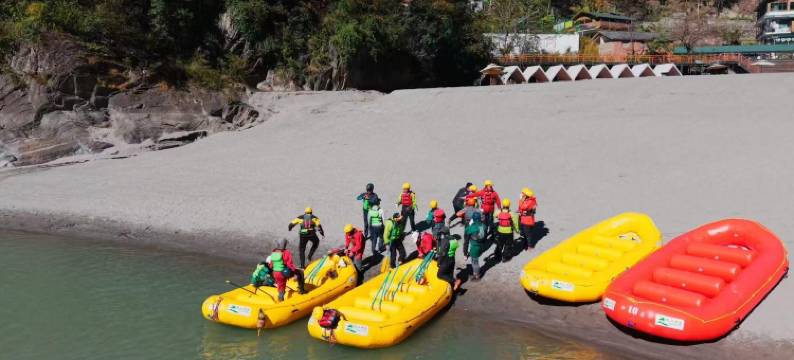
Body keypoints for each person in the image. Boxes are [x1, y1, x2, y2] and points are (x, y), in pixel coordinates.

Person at [436, 226, 462, 291]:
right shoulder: (454, 239)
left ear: (443, 233)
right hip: (452, 259)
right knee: (449, 275)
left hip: (445, 261)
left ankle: (455, 281)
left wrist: (438, 262)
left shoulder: (445, 241)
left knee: (440, 275)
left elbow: (441, 253)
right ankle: (454, 290)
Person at [466, 212, 486, 281]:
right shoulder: (484, 226)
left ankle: (477, 276)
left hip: (474, 247)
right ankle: (476, 273)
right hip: (481, 246)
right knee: (475, 260)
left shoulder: (471, 227)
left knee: (475, 262)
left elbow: (467, 235)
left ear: (473, 219)